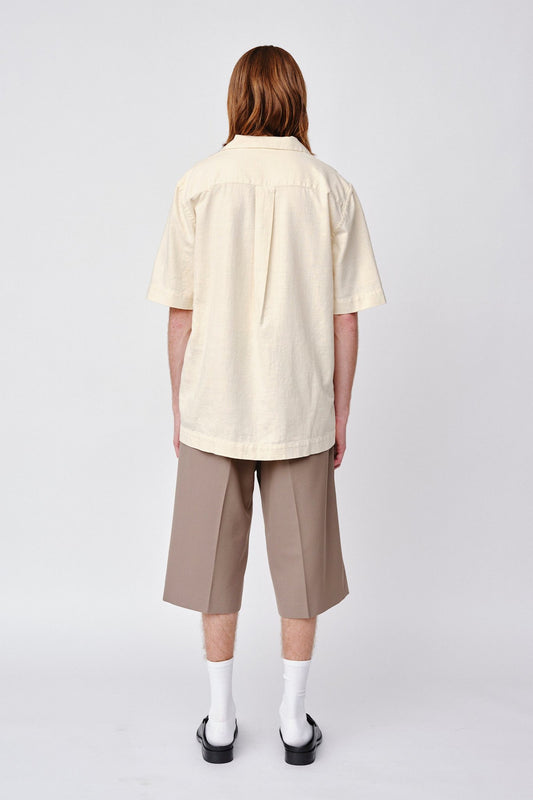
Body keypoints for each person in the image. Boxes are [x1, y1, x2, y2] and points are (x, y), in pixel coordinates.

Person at [146, 45, 386, 765]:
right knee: (302, 570)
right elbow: (346, 317)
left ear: (236, 99)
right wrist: (340, 413)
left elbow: (180, 313)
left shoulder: (197, 183)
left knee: (212, 566)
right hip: (299, 406)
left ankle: (220, 722)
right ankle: (293, 720)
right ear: (297, 99)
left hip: (214, 405)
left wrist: (180, 408)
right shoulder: (331, 188)